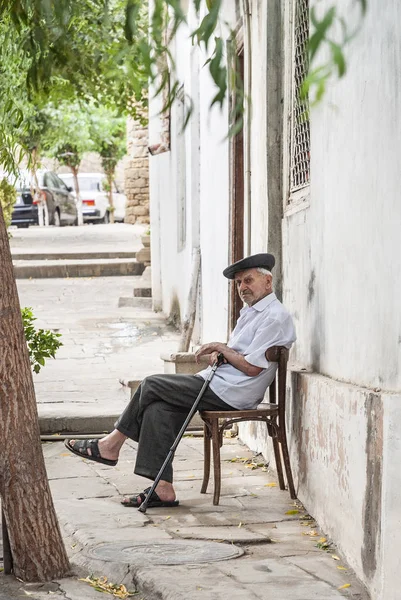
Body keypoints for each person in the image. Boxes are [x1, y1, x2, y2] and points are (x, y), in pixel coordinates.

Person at [65, 253, 296, 508]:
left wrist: (223, 348)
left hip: (232, 392)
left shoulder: (274, 316)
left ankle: (111, 444)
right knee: (157, 409)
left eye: (248, 280)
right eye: (239, 282)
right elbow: (239, 356)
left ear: (267, 281)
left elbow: (252, 368)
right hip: (219, 383)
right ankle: (163, 489)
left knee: (151, 384)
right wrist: (221, 355)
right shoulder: (251, 312)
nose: (242, 287)